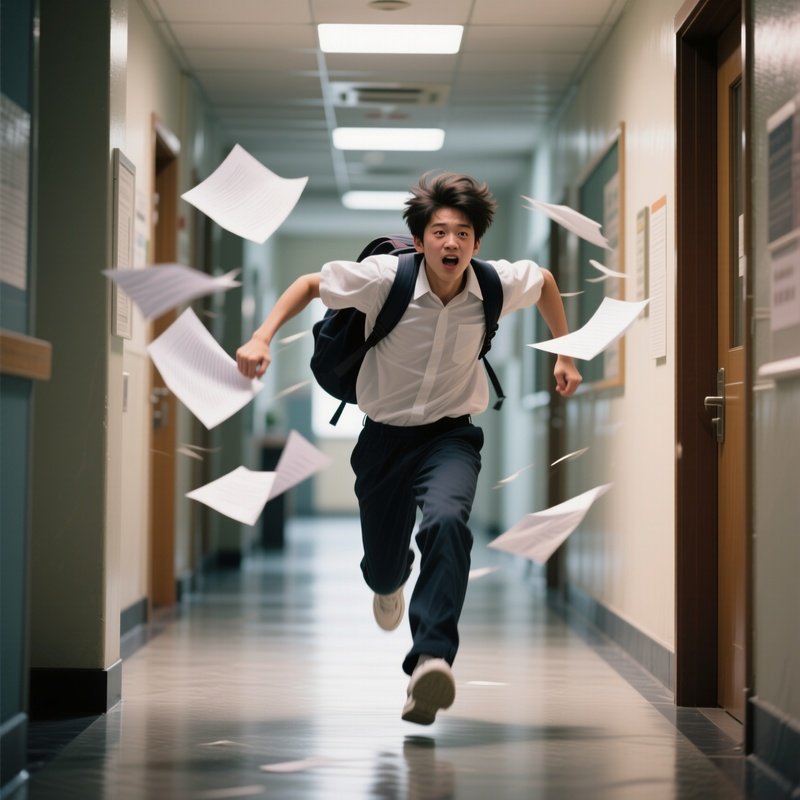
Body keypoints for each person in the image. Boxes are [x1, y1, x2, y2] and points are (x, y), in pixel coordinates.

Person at [236, 172, 582, 725]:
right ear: (419, 240)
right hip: (383, 439)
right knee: (382, 566)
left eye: (463, 233)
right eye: (440, 232)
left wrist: (563, 354)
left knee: (447, 522)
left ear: (476, 243)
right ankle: (389, 580)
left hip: (451, 436)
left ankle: (431, 660)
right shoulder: (384, 279)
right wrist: (261, 337)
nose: (451, 243)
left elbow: (542, 280)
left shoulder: (492, 284)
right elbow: (307, 284)